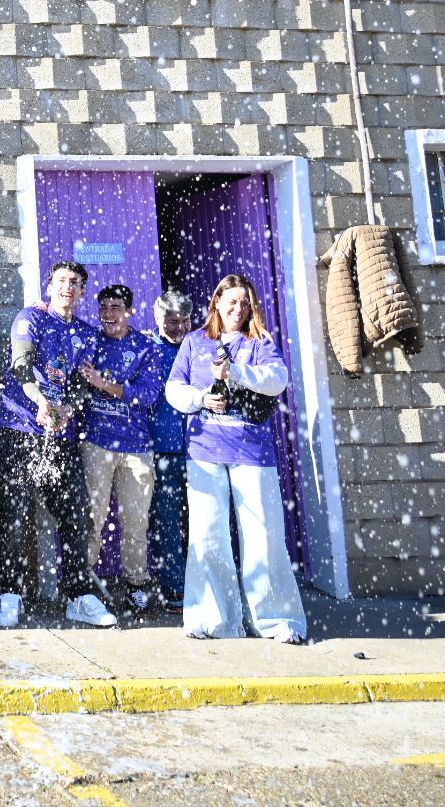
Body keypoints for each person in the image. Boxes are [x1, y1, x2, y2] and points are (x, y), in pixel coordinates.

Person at [164, 273, 306, 644]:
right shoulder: (195, 342)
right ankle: (215, 621)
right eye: (231, 301)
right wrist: (200, 398)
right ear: (216, 302)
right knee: (208, 535)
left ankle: (275, 621)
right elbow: (173, 389)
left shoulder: (259, 342)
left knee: (263, 537)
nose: (238, 308)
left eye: (245, 303)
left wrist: (236, 372)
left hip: (252, 454)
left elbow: (277, 379)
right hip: (205, 451)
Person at [0, 262, 116, 629]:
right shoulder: (29, 317)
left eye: (75, 283)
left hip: (61, 436)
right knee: (15, 515)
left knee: (77, 514)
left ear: (82, 293)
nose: (67, 287)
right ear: (49, 287)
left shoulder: (87, 334)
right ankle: (9, 594)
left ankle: (78, 595)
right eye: (61, 281)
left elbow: (81, 384)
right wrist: (40, 402)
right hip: (21, 428)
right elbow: (21, 365)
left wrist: (66, 408)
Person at [78, 283, 165, 616]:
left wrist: (104, 384)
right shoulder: (90, 341)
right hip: (96, 443)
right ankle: (84, 584)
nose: (109, 314)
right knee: (92, 518)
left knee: (135, 520)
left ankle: (136, 585)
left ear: (130, 311)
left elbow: (147, 394)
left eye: (116, 307)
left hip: (136, 447)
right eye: (103, 308)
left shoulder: (146, 346)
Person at [147, 290, 194, 613]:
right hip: (161, 449)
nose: (177, 327)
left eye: (183, 321)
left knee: (202, 521)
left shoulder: (201, 347)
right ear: (157, 319)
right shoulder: (147, 347)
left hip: (201, 448)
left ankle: (203, 584)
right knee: (165, 521)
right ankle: (174, 588)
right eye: (170, 321)